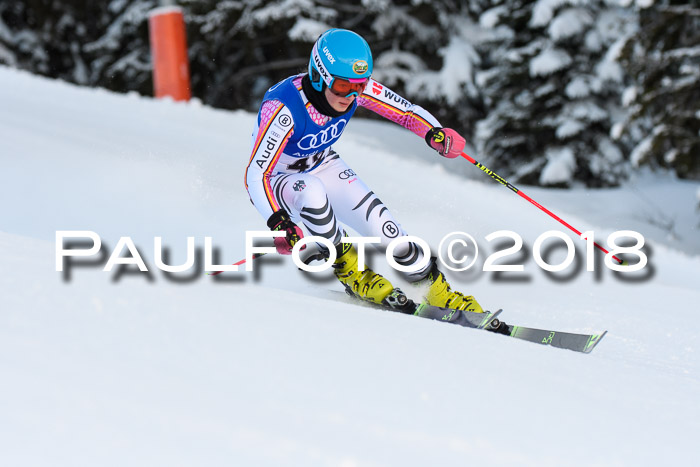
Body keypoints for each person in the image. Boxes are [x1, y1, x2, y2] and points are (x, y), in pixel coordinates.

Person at [244, 28, 482, 313]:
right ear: (319, 77)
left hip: (324, 164)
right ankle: (353, 273)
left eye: (359, 87)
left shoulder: (355, 89)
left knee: (387, 230)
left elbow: (405, 112)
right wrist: (279, 222)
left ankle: (436, 291)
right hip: (282, 179)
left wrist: (435, 133)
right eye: (344, 87)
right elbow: (256, 175)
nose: (351, 96)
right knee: (312, 192)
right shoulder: (284, 109)